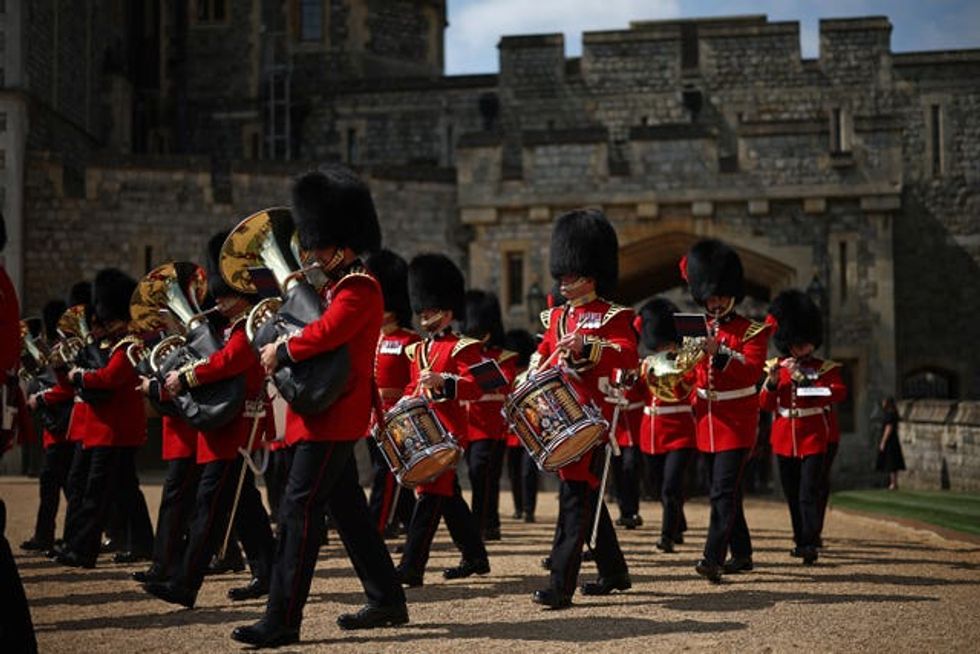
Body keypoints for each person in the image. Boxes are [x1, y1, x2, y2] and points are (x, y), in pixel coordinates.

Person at [233, 166, 408, 647]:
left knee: (297, 512)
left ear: (343, 246)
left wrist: (283, 349)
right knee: (348, 511)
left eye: (317, 246)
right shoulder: (336, 288)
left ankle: (283, 618)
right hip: (323, 413)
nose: (310, 255)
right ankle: (388, 598)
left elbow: (327, 333)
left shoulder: (360, 288)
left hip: (334, 416)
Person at [143, 232, 275, 606]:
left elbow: (230, 361)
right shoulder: (229, 325)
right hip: (224, 423)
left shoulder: (251, 325)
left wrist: (186, 377)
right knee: (243, 504)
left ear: (243, 297)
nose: (218, 301)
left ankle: (185, 584)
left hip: (236, 424)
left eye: (225, 295)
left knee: (209, 505)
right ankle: (267, 572)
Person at [530, 209, 633, 609]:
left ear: (591, 273)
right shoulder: (556, 316)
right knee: (585, 494)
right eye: (563, 274)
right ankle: (614, 571)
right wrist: (534, 369)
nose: (564, 280)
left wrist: (586, 347)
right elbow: (541, 354)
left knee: (574, 498)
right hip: (560, 418)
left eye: (571, 274)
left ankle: (560, 583)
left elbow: (626, 355)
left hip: (591, 420)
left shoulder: (614, 315)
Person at [395, 254, 490, 587]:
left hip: (448, 433)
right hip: (423, 430)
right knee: (448, 497)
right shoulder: (417, 350)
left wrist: (446, 383)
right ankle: (475, 556)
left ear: (448, 312)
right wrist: (405, 401)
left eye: (431, 308)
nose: (425, 314)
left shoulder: (464, 346)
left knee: (430, 494)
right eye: (422, 309)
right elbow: (412, 385)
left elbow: (481, 387)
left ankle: (411, 566)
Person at [681, 239, 771, 583]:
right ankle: (743, 553)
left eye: (718, 295)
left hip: (737, 421)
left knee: (721, 491)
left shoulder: (752, 331)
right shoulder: (696, 329)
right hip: (705, 420)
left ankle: (712, 557)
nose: (714, 302)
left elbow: (751, 370)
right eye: (709, 297)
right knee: (725, 490)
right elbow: (690, 376)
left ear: (732, 293)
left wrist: (719, 354)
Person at [55, 269, 154, 568]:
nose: (107, 325)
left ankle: (83, 550)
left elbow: (110, 378)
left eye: (110, 318)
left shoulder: (130, 344)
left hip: (117, 430)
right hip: (109, 429)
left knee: (96, 494)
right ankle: (143, 543)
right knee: (125, 490)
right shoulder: (113, 343)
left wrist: (80, 375)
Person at [760, 290, 847, 565]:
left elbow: (839, 393)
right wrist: (773, 381)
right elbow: (765, 404)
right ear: (788, 343)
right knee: (792, 494)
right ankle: (800, 540)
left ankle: (810, 542)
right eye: (798, 344)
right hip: (785, 437)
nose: (803, 348)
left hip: (813, 437)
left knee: (808, 492)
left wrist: (809, 385)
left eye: (807, 343)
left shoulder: (824, 368)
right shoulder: (778, 368)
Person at [635, 297, 697, 554]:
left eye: (668, 343)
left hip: (680, 431)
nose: (664, 348)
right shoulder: (647, 365)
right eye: (660, 344)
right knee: (657, 486)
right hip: (652, 431)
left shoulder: (687, 364)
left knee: (671, 485)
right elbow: (636, 395)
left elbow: (693, 391)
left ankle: (666, 536)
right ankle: (678, 522)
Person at [365, 249, 419, 537]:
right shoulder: (372, 337)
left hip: (395, 416)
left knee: (385, 473)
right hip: (371, 414)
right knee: (387, 472)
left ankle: (378, 523)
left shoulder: (410, 339)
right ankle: (409, 525)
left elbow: (415, 379)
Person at [462, 289, 517, 541]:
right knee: (477, 476)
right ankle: (488, 523)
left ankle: (482, 523)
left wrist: (472, 359)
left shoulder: (504, 357)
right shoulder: (462, 354)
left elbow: (500, 382)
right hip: (466, 425)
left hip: (491, 426)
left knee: (484, 473)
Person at [21, 300, 73, 553]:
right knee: (60, 486)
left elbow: (63, 388)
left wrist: (39, 397)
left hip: (62, 427)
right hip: (56, 427)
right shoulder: (53, 347)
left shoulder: (59, 349)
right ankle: (54, 535)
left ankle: (50, 536)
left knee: (54, 486)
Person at [503, 328, 539, 522]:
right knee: (514, 472)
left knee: (528, 472)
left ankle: (529, 509)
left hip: (529, 430)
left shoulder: (531, 373)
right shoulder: (507, 373)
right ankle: (519, 507)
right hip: (511, 431)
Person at [877, 397, 905, 490]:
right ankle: (893, 482)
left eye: (884, 402)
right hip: (893, 440)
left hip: (890, 441)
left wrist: (883, 441)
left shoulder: (890, 414)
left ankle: (893, 483)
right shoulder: (893, 413)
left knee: (891, 462)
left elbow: (888, 428)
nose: (883, 403)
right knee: (892, 461)